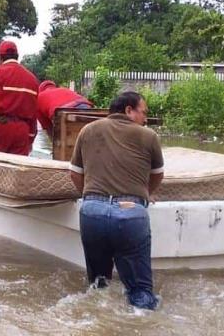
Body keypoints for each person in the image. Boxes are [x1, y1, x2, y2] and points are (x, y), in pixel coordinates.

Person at [68, 91, 163, 310]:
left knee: (98, 286)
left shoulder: (88, 130)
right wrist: (145, 193)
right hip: (130, 215)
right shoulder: (148, 136)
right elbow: (158, 174)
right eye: (143, 113)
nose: (145, 119)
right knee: (140, 294)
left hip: (91, 213)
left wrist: (92, 198)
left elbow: (74, 173)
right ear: (128, 110)